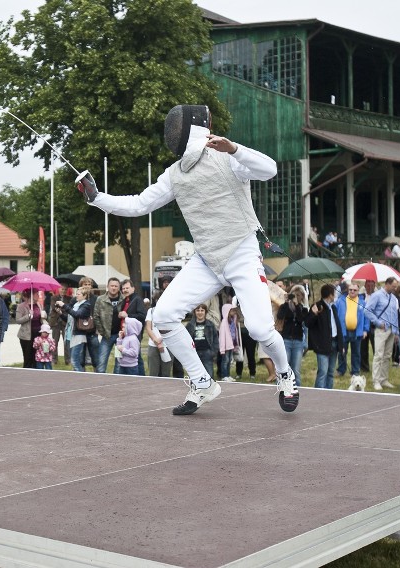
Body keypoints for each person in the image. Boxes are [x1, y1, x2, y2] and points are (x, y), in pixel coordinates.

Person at [76, 105, 297, 413]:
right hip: (206, 260)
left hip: (241, 254)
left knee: (260, 329)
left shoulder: (227, 158)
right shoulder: (174, 175)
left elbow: (269, 169)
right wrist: (97, 198)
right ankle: (202, 382)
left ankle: (286, 375)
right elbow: (139, 204)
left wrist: (234, 149)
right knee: (163, 315)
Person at [305, 284, 344, 389]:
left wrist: (341, 344)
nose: (335, 295)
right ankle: (318, 393)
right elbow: (308, 323)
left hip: (334, 342)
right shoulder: (317, 306)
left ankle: (329, 393)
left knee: (331, 372)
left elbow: (338, 326)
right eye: (334, 293)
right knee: (323, 371)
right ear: (330, 295)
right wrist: (314, 314)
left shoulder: (333, 308)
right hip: (322, 344)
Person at [366, 277, 400, 390]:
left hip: (391, 329)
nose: (395, 288)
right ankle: (376, 380)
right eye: (393, 286)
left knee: (387, 356)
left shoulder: (393, 298)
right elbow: (367, 310)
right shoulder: (376, 295)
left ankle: (384, 379)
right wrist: (377, 322)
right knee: (379, 355)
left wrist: (396, 331)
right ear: (387, 284)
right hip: (381, 329)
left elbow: (395, 315)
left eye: (396, 286)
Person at [56, 286, 98, 372]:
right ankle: (78, 378)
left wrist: (64, 305)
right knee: (74, 361)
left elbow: (77, 315)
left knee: (74, 361)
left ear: (84, 295)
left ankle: (81, 378)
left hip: (78, 335)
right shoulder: (75, 305)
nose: (76, 296)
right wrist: (60, 314)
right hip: (70, 334)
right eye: (76, 294)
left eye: (78, 294)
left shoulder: (86, 305)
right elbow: (69, 319)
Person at [275, 284, 307, 385]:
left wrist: (297, 305)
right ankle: (281, 387)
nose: (296, 297)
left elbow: (301, 319)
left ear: (302, 296)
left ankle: (297, 389)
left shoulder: (303, 308)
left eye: (298, 295)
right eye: (294, 295)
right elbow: (280, 316)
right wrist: (285, 303)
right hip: (286, 340)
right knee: (284, 366)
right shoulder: (286, 307)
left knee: (296, 369)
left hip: (298, 341)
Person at [335, 283, 368, 378]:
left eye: (355, 290)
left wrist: (365, 330)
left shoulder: (362, 302)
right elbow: (335, 314)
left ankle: (355, 371)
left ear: (358, 291)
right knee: (342, 351)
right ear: (347, 290)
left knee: (356, 353)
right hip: (343, 331)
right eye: (350, 290)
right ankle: (341, 370)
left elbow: (366, 317)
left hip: (357, 332)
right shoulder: (340, 301)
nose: (352, 291)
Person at [93, 277, 123, 373]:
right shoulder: (100, 299)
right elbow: (96, 316)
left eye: (116, 286)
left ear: (119, 287)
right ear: (107, 287)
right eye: (112, 286)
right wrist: (102, 331)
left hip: (121, 336)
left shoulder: (124, 299)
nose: (113, 288)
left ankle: (116, 379)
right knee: (101, 361)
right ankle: (100, 380)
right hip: (107, 336)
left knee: (119, 361)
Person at [118, 279, 147, 375]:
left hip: (134, 333)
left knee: (135, 356)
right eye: (123, 288)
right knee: (128, 356)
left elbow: (142, 316)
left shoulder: (137, 299)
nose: (125, 290)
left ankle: (141, 377)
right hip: (125, 333)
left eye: (127, 288)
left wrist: (127, 315)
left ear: (133, 289)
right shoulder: (125, 300)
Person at [185, 304, 218, 380]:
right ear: (194, 312)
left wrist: (213, 352)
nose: (200, 313)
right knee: (195, 375)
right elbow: (186, 340)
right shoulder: (190, 325)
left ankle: (210, 389)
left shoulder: (210, 324)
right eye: (198, 310)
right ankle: (196, 389)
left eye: (202, 310)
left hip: (207, 353)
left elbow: (215, 339)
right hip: (194, 353)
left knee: (209, 374)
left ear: (205, 312)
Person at [145, 290, 172, 377]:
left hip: (167, 345)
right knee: (153, 374)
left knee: (165, 374)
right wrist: (156, 340)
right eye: (157, 299)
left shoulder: (171, 312)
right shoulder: (151, 311)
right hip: (153, 345)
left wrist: (161, 341)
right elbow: (149, 328)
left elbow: (172, 328)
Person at [16, 289, 46, 369]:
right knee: (28, 357)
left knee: (37, 356)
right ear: (31, 295)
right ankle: (27, 373)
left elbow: (42, 319)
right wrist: (29, 316)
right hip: (26, 335)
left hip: (38, 334)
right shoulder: (21, 306)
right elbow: (18, 320)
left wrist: (44, 315)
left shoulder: (39, 305)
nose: (39, 296)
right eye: (36, 294)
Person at [47, 284, 70, 365]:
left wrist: (61, 307)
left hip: (65, 322)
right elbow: (54, 307)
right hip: (55, 322)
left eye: (65, 289)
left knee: (66, 342)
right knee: (54, 342)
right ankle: (54, 359)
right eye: (62, 289)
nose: (63, 291)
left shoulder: (69, 298)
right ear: (59, 289)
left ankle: (68, 360)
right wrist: (64, 307)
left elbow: (69, 308)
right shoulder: (54, 297)